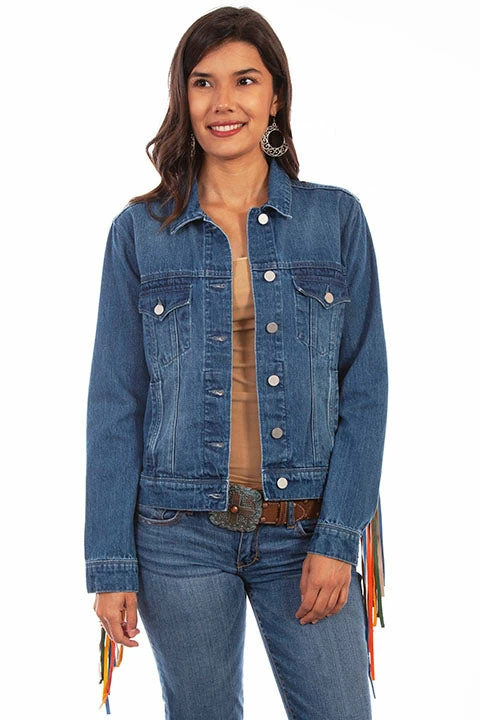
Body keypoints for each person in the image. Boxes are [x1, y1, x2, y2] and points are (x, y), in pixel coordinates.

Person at [85, 6, 388, 719]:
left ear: (275, 96)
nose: (223, 102)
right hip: (176, 534)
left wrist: (339, 537)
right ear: (183, 97)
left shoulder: (336, 219)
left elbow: (366, 391)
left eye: (245, 81)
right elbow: (115, 402)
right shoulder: (139, 232)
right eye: (203, 82)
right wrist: (110, 561)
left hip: (306, 528)